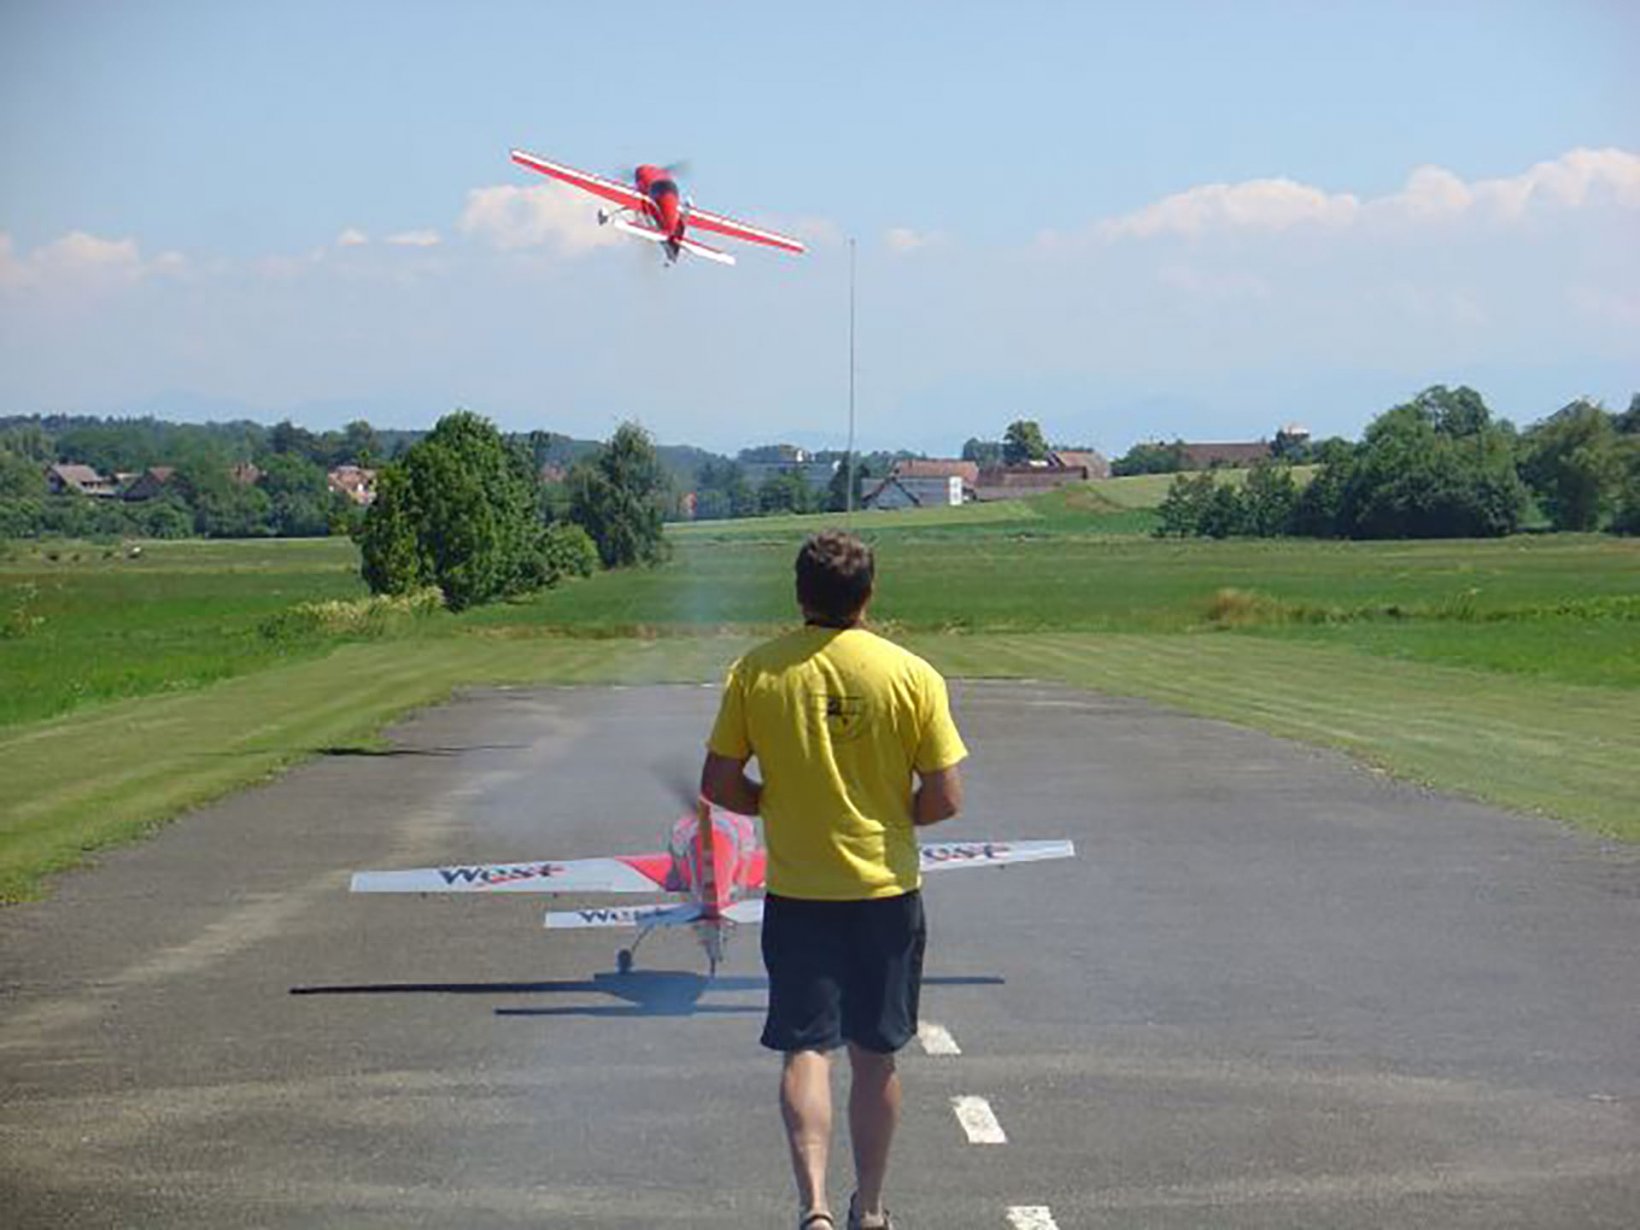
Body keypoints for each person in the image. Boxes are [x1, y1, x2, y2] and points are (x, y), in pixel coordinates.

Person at [700, 529, 967, 1230]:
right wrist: (893, 813)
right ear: (869, 594)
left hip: (798, 893)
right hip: (885, 892)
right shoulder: (912, 675)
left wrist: (773, 803)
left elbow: (718, 783)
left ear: (800, 595)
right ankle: (870, 1208)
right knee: (876, 1057)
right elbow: (946, 797)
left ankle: (813, 1206)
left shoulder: (756, 672)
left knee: (806, 1049)